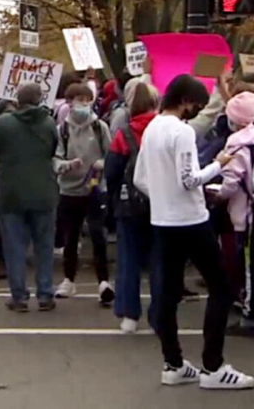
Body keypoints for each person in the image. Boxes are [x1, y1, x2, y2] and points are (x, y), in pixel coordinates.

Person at [134, 74, 254, 390]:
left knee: (169, 293)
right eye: (196, 105)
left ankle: (173, 362)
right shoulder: (181, 131)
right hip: (190, 219)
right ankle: (213, 366)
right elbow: (189, 179)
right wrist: (218, 164)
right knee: (221, 288)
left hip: (163, 220)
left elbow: (140, 179)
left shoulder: (152, 128)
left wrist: (162, 196)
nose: (196, 111)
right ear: (186, 101)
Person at [0, 83, 62, 312]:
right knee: (44, 246)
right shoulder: (49, 123)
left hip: (12, 192)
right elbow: (52, 150)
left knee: (15, 247)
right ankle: (45, 294)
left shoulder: (4, 123)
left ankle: (19, 296)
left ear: (17, 99)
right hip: (44, 191)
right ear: (40, 99)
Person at [105, 81, 161, 334]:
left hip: (129, 204)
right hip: (162, 203)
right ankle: (160, 314)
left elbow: (112, 172)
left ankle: (129, 313)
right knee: (161, 261)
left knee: (128, 260)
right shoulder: (166, 130)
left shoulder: (124, 134)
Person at [54, 83, 113, 304]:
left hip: (95, 188)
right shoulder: (62, 130)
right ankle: (69, 279)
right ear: (68, 103)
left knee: (98, 235)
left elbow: (112, 156)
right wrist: (66, 165)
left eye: (87, 99)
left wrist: (102, 163)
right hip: (69, 190)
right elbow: (55, 159)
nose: (83, 103)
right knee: (71, 237)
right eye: (78, 99)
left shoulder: (100, 127)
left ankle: (104, 282)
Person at [214, 92, 254, 338]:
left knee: (248, 264)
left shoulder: (236, 145)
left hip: (244, 211)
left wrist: (219, 194)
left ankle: (251, 313)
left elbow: (231, 181)